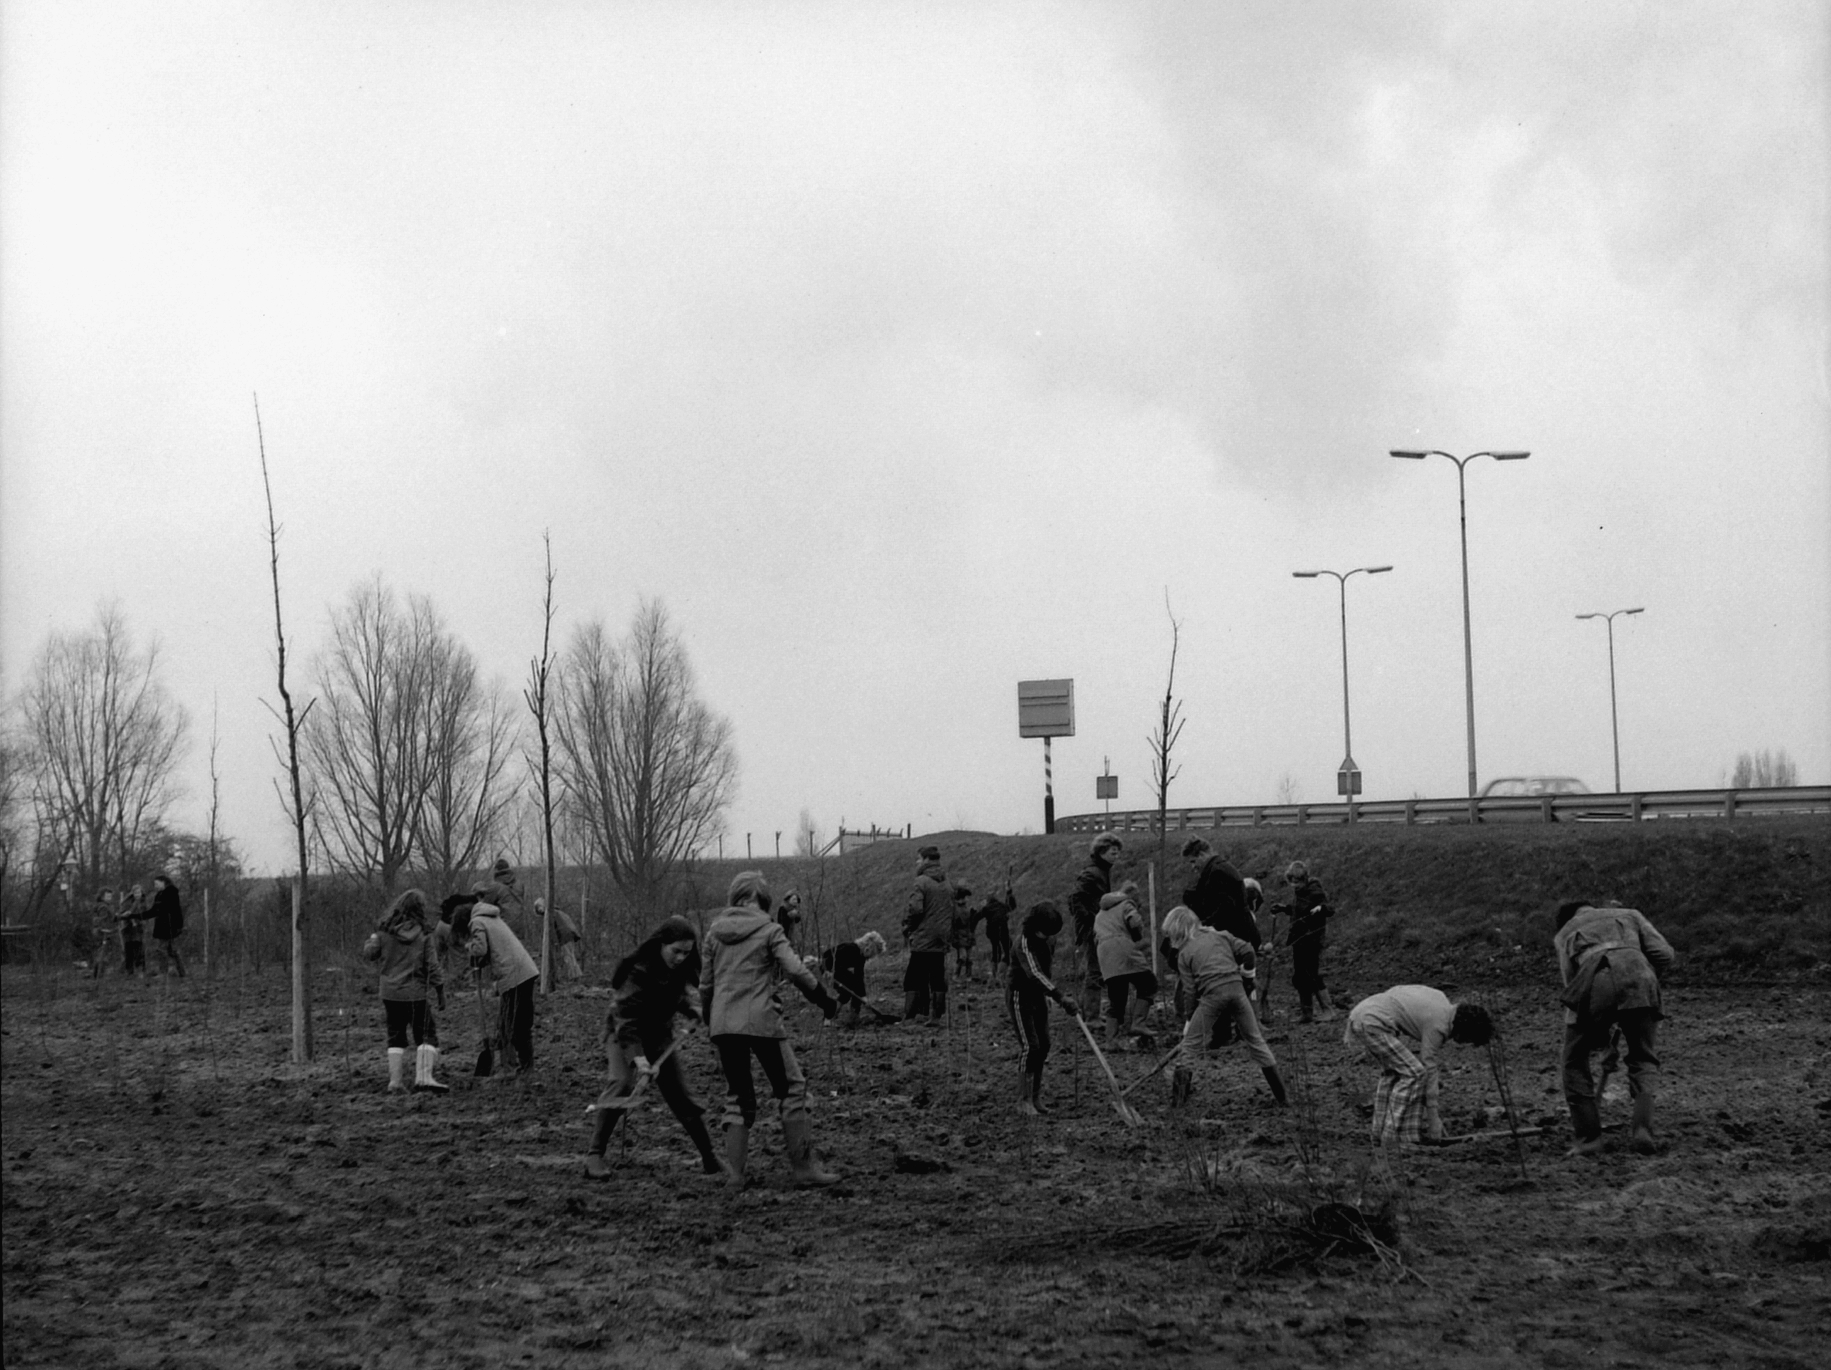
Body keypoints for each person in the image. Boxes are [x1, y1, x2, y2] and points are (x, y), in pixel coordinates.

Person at [702, 871, 840, 1188]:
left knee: (738, 1097)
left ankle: (736, 1176)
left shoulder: (714, 934)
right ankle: (804, 1169)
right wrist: (824, 1000)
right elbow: (795, 970)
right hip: (762, 1021)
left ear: (734, 899)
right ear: (764, 901)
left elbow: (706, 985)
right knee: (793, 1090)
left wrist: (711, 1021)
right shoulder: (770, 929)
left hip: (724, 1024)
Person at [585, 915, 723, 1179]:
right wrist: (638, 1059)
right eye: (676, 951)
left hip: (659, 1037)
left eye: (686, 953)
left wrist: (691, 1010)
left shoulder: (678, 969)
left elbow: (671, 996)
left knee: (681, 1095)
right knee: (622, 1084)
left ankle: (710, 1158)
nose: (681, 958)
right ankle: (594, 1155)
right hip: (623, 1034)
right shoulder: (640, 970)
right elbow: (625, 1018)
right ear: (661, 944)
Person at [1554, 899, 1676, 1156]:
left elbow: (1574, 989)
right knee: (1643, 1057)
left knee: (1573, 1061)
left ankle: (1589, 1139)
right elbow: (1665, 955)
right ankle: (1642, 1130)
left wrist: (1601, 1044)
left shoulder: (1565, 932)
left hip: (1595, 982)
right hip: (1642, 978)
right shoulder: (1631, 914)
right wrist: (1644, 975)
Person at [1161, 905, 1286, 1107]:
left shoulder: (1184, 954)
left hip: (1212, 997)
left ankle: (1178, 1104)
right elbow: (1248, 952)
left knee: (1190, 1047)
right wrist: (1247, 978)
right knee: (1256, 1041)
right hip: (1237, 992)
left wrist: (1190, 1018)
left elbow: (1190, 991)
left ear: (1177, 931)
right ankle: (1283, 1098)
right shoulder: (1221, 936)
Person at [1343, 985, 1494, 1147]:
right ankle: (1392, 1138)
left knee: (1393, 1074)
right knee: (1415, 1073)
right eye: (1468, 1039)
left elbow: (1398, 992)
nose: (1464, 1043)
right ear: (1465, 1030)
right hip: (1373, 1022)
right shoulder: (1438, 1026)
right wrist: (1433, 1118)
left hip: (1363, 1013)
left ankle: (1383, 1134)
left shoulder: (1440, 999)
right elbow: (1429, 1068)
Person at [361, 889, 448, 1094]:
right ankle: (424, 1078)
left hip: (390, 993)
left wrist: (372, 940)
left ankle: (395, 1081)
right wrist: (440, 990)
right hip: (415, 993)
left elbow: (369, 954)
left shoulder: (384, 932)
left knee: (395, 1036)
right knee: (426, 1034)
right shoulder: (424, 935)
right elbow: (432, 965)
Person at [1007, 899, 1081, 1116]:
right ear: (1034, 925)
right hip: (1020, 995)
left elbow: (1045, 969)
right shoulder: (1023, 943)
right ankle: (1023, 1099)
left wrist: (1049, 994)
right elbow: (1034, 973)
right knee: (1030, 1046)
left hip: (1038, 995)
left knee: (1044, 1044)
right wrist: (1060, 997)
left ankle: (1035, 1096)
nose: (1047, 937)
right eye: (1044, 932)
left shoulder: (1048, 939)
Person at [467, 881, 540, 1074]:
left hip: (513, 975)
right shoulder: (494, 918)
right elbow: (495, 949)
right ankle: (526, 1067)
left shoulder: (477, 922)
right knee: (520, 1023)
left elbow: (480, 949)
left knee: (509, 1024)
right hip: (526, 971)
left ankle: (510, 1067)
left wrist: (469, 948)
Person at [1094, 884, 1156, 1050]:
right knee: (1148, 983)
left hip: (1104, 952)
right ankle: (1138, 1023)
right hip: (1122, 946)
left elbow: (1095, 936)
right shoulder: (1126, 904)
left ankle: (1111, 1040)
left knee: (1116, 997)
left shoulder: (1100, 913)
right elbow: (1135, 922)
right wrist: (1136, 937)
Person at [1070, 835, 1122, 1017]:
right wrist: (1091, 920)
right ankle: (1091, 1016)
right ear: (1101, 852)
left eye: (1118, 853)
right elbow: (1075, 899)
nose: (1116, 856)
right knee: (1095, 970)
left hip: (1096, 927)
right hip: (1091, 929)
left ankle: (1090, 1012)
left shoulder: (1102, 871)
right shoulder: (1092, 873)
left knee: (1097, 969)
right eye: (1113, 853)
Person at [901, 846, 954, 1024]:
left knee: (913, 977)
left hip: (923, 937)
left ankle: (910, 1015)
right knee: (937, 977)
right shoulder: (947, 883)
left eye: (918, 859)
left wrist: (909, 926)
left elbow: (916, 909)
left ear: (925, 860)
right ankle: (936, 1016)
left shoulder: (921, 881)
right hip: (941, 938)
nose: (916, 862)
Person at [1284, 860, 1337, 1023]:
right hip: (1298, 939)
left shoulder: (1315, 891)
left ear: (1304, 879)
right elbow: (1299, 910)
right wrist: (1283, 908)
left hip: (1312, 939)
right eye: (1292, 882)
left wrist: (1321, 908)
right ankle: (1306, 1013)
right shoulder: (1298, 893)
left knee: (1312, 974)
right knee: (1300, 976)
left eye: (1297, 882)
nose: (1294, 885)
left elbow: (1330, 909)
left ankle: (1328, 1010)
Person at [820, 930, 889, 1028]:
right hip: (829, 970)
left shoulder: (860, 957)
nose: (872, 957)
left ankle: (853, 1017)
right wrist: (826, 970)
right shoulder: (850, 948)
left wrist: (863, 996)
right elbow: (826, 956)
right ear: (869, 948)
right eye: (874, 953)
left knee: (856, 988)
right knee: (846, 992)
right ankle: (829, 1018)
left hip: (838, 970)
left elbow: (859, 977)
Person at [532, 897, 584, 983]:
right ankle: (575, 976)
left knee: (568, 957)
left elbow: (553, 930)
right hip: (570, 935)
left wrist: (555, 943)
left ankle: (575, 977)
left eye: (539, 908)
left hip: (565, 937)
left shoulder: (551, 914)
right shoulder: (557, 911)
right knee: (570, 956)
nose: (540, 911)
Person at [144, 875, 187, 977]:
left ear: (163, 882)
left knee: (161, 949)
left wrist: (178, 926)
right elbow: (154, 911)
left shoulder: (171, 893)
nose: (155, 886)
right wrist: (139, 916)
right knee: (172, 950)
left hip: (168, 927)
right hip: (163, 927)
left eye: (156, 884)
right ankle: (182, 972)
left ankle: (163, 972)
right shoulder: (159, 895)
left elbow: (176, 911)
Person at [977, 883, 1015, 976]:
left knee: (996, 951)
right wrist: (1009, 893)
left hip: (993, 933)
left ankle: (995, 973)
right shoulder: (1001, 906)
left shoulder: (987, 908)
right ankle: (1003, 972)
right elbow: (1011, 906)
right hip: (1002, 931)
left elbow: (976, 917)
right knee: (1007, 950)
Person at [116, 885, 147, 977]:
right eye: (136, 893)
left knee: (139, 950)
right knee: (128, 949)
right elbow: (121, 914)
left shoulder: (143, 902)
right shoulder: (126, 902)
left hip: (138, 928)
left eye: (139, 892)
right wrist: (125, 915)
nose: (138, 895)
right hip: (127, 928)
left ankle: (140, 970)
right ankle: (129, 971)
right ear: (132, 893)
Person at [950, 881, 976, 981]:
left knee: (969, 957)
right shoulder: (955, 909)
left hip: (968, 935)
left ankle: (968, 975)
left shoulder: (966, 908)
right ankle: (956, 975)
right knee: (963, 957)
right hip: (960, 935)